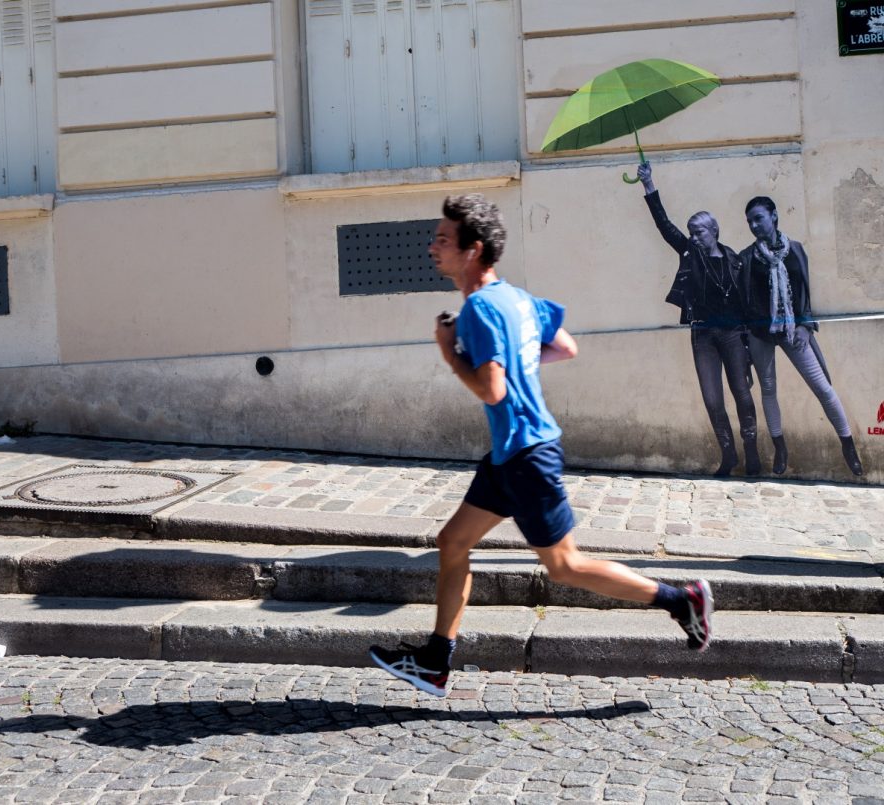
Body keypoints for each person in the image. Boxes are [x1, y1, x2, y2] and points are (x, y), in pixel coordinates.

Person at [368, 194, 714, 698]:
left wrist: (450, 354)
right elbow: (565, 346)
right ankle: (435, 660)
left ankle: (680, 599)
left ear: (474, 249)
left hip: (526, 455)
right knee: (453, 542)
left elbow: (492, 389)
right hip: (513, 452)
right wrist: (517, 363)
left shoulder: (480, 311)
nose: (432, 247)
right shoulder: (516, 299)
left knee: (564, 566)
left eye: (443, 239)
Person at [636, 162, 760, 477]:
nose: (693, 237)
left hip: (733, 335)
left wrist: (747, 348)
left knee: (742, 393)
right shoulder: (689, 254)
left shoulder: (734, 260)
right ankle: (728, 455)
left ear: (713, 231)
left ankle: (752, 453)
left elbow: (746, 305)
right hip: (702, 335)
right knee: (712, 398)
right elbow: (664, 226)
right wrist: (649, 185)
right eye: (691, 232)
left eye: (699, 231)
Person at [739, 197, 863, 476]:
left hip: (793, 329)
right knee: (768, 390)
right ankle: (780, 447)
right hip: (760, 333)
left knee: (822, 388)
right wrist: (746, 343)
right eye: (749, 221)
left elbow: (805, 292)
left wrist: (806, 326)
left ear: (774, 215)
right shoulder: (746, 258)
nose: (754, 225)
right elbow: (744, 303)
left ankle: (848, 445)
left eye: (758, 218)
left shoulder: (795, 250)